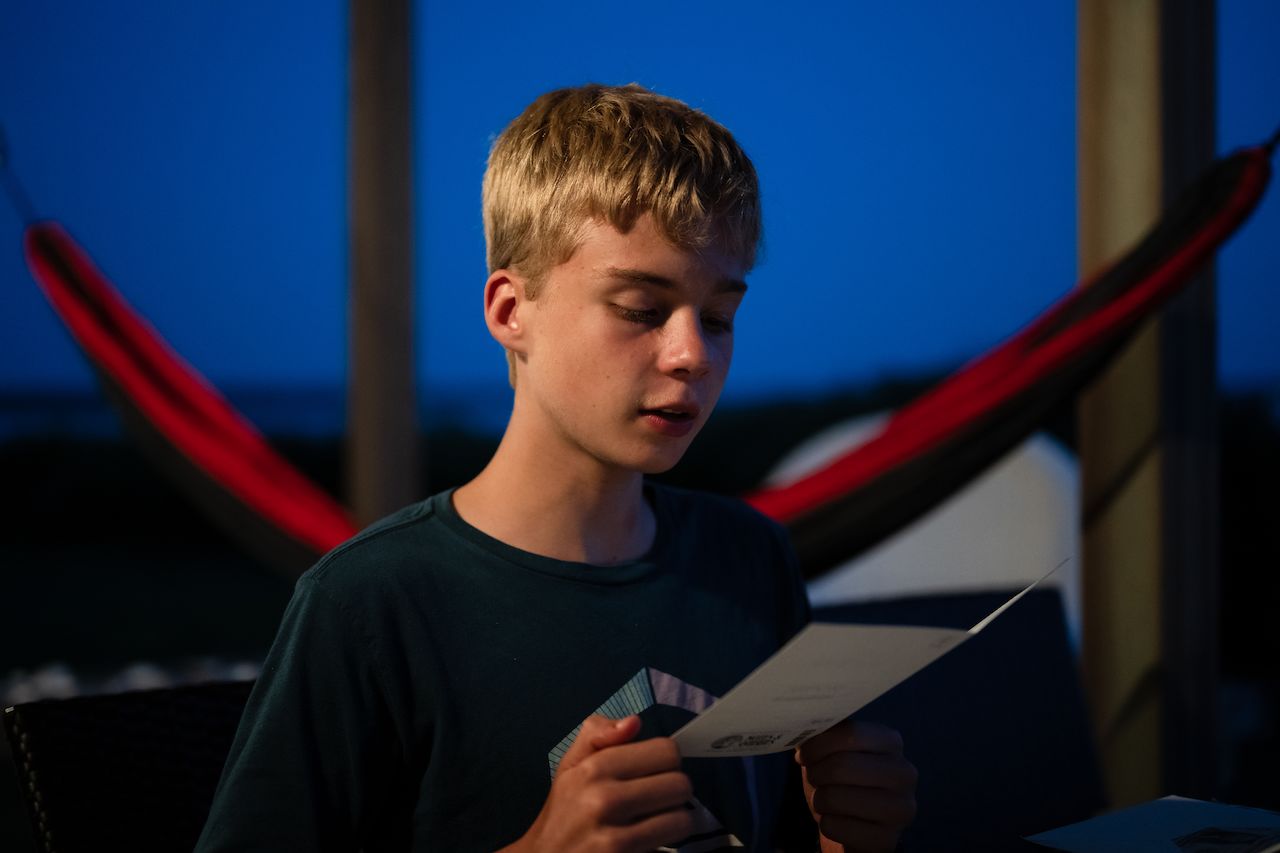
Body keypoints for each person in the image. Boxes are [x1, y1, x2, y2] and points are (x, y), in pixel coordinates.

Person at [195, 83, 917, 852]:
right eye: (642, 308)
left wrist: (852, 836)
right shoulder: (373, 606)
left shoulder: (748, 560)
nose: (693, 355)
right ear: (511, 313)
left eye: (718, 317)